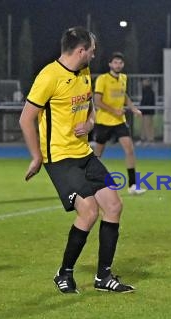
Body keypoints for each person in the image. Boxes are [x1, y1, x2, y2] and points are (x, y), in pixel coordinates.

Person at [19, 26, 135, 294]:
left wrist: (91, 122)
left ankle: (103, 277)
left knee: (114, 206)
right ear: (81, 50)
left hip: (83, 153)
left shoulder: (83, 72)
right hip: (59, 157)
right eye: (92, 50)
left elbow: (89, 107)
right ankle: (64, 272)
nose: (94, 55)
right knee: (90, 210)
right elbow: (26, 118)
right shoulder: (49, 76)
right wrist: (36, 156)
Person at [92, 52, 146, 195]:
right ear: (110, 64)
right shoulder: (102, 79)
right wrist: (113, 111)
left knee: (129, 149)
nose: (118, 65)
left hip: (119, 122)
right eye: (115, 62)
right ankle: (91, 180)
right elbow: (97, 101)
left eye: (120, 63)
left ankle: (133, 185)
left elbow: (124, 95)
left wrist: (133, 108)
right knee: (98, 153)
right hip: (103, 121)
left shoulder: (123, 78)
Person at [138, 78, 156, 145]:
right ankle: (142, 139)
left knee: (148, 126)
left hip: (147, 112)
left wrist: (142, 109)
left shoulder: (150, 92)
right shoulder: (145, 91)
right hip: (145, 111)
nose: (143, 83)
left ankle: (150, 140)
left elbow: (146, 102)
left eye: (145, 82)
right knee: (143, 126)